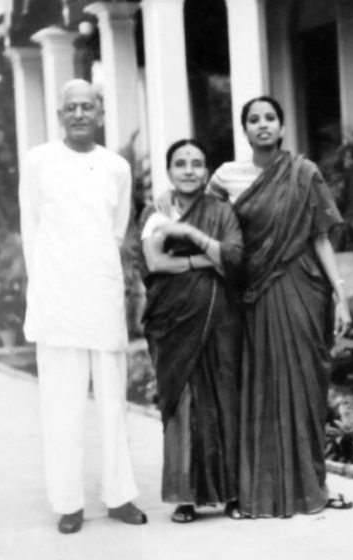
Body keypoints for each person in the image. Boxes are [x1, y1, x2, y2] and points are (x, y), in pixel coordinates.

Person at [211, 96, 353, 518]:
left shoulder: (304, 173)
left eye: (270, 118)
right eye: (253, 120)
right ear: (245, 130)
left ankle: (314, 485)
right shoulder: (227, 178)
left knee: (308, 389)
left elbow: (320, 237)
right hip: (255, 294)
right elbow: (207, 221)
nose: (263, 125)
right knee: (263, 389)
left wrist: (340, 295)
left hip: (304, 290)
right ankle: (262, 491)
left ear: (282, 127)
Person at [18, 79, 147, 534]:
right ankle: (68, 502)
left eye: (86, 106)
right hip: (56, 296)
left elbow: (116, 230)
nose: (78, 113)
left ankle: (119, 496)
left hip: (101, 294)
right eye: (70, 107)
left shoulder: (115, 167)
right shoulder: (39, 162)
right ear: (59, 115)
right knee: (61, 403)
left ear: (100, 114)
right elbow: (30, 227)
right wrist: (41, 291)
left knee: (113, 400)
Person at [137, 139, 243, 523]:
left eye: (197, 163)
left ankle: (232, 493)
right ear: (169, 172)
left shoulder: (221, 211)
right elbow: (154, 261)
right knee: (181, 406)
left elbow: (233, 257)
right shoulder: (155, 210)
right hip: (172, 322)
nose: (188, 170)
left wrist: (193, 236)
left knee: (224, 400)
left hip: (220, 321)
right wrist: (203, 259)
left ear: (206, 170)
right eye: (180, 163)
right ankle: (184, 497)